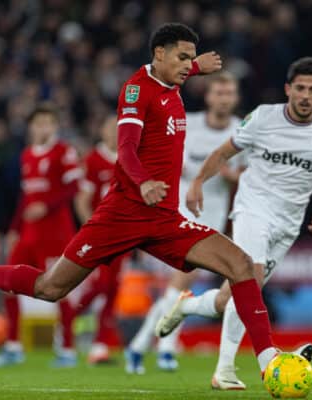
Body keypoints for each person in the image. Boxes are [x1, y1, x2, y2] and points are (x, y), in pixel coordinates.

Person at [0, 23, 285, 382]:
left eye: (190, 59)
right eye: (182, 58)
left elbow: (178, 71)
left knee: (242, 266)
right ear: (159, 54)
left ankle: (269, 363)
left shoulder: (173, 81)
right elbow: (124, 149)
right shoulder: (136, 90)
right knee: (50, 288)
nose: (188, 65)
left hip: (165, 218)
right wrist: (144, 182)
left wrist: (197, 66)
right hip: (122, 214)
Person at [156, 57, 312, 389]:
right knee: (252, 280)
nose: (306, 95)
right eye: (300, 88)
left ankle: (186, 305)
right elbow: (222, 153)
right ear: (288, 89)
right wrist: (197, 182)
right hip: (253, 209)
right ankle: (230, 370)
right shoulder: (262, 118)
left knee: (227, 299)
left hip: (289, 223)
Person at [125, 71, 244, 374]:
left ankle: (138, 346)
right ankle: (166, 348)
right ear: (208, 96)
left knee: (179, 285)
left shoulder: (240, 130)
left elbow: (247, 175)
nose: (223, 99)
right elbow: (164, 155)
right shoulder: (186, 123)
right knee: (183, 280)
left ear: (235, 98)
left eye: (229, 93)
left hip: (213, 216)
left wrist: (232, 176)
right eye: (219, 93)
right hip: (179, 211)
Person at [0, 102, 83, 368]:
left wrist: (47, 205)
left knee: (58, 289)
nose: (43, 127)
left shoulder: (64, 151)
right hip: (29, 234)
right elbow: (26, 197)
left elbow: (74, 187)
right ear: (31, 127)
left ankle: (67, 350)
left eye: (48, 123)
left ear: (55, 126)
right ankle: (13, 346)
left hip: (56, 233)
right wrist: (14, 229)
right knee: (8, 284)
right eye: (38, 123)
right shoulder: (27, 154)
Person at [71, 115, 125, 364]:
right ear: (102, 131)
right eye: (110, 129)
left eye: (119, 129)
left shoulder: (131, 158)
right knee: (103, 285)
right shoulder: (93, 160)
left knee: (112, 288)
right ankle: (72, 316)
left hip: (123, 235)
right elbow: (81, 200)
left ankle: (100, 344)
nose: (115, 134)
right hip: (100, 235)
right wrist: (92, 229)